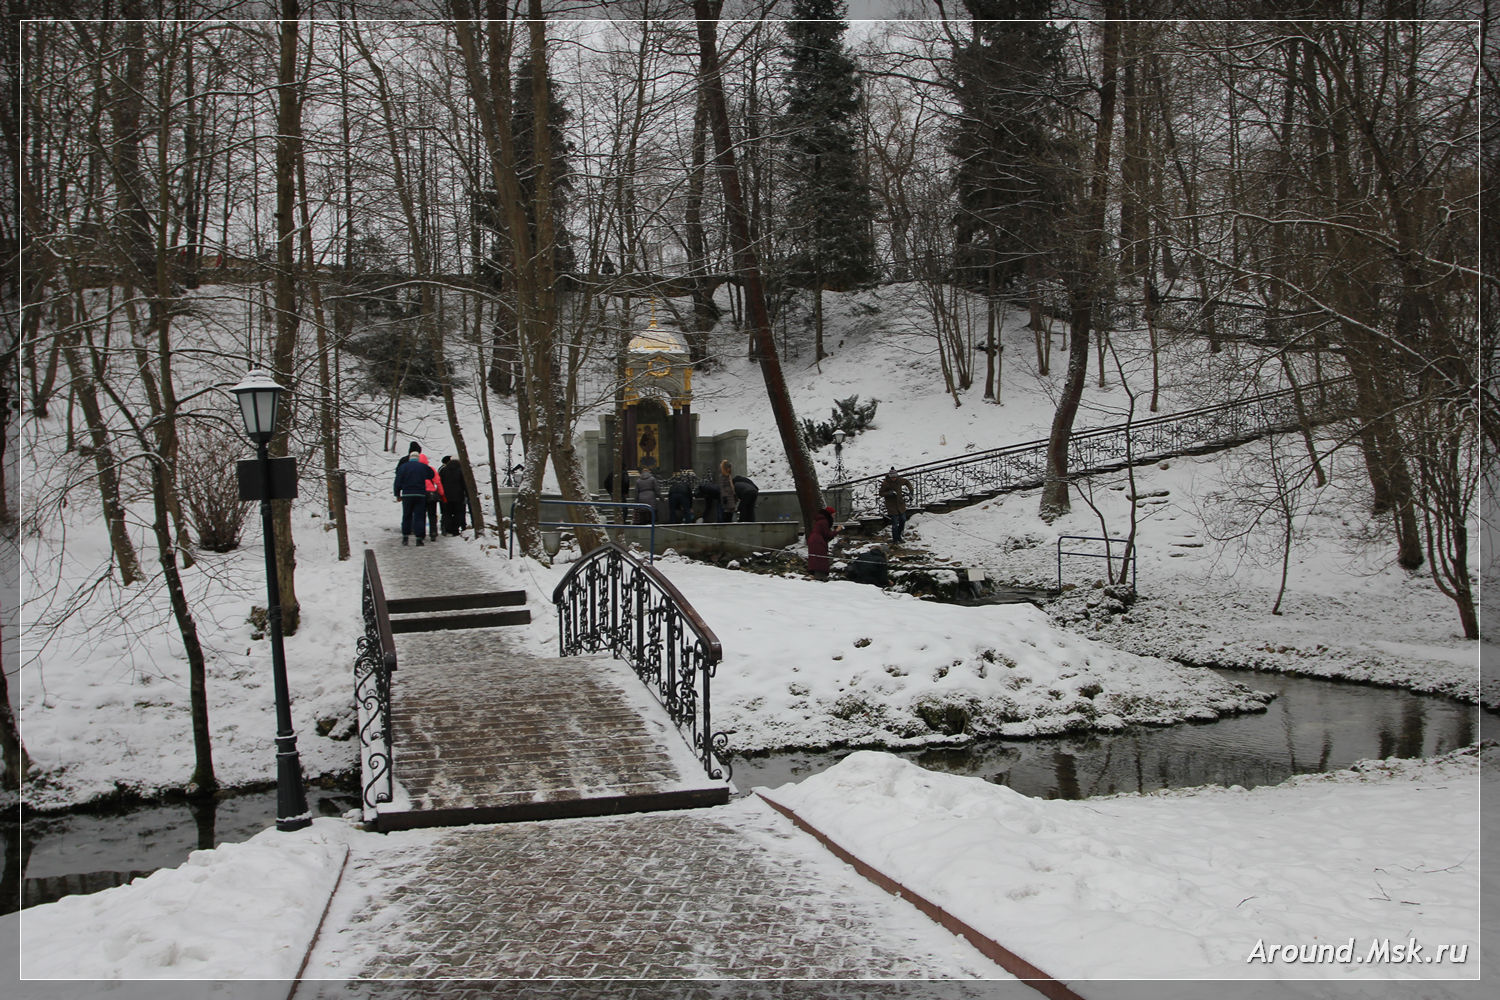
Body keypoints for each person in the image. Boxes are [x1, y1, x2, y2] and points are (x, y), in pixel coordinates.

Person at [393, 445, 436, 546]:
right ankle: (419, 539)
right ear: (418, 458)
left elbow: (397, 481)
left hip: (407, 494)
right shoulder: (422, 467)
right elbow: (431, 475)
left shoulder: (403, 467)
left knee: (407, 515)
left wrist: (397, 494)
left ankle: (405, 537)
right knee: (419, 516)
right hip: (420, 494)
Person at [879, 466, 915, 545]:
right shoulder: (886, 483)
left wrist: (911, 491)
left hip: (900, 504)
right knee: (894, 523)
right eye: (892, 477)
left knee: (903, 520)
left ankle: (899, 536)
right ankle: (895, 539)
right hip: (891, 506)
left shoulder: (899, 480)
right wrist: (890, 493)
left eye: (895, 477)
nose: (894, 479)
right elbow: (881, 493)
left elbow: (907, 482)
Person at [439, 455, 469, 536]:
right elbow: (464, 484)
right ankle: (455, 529)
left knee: (447, 513)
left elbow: (440, 483)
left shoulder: (443, 470)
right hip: (458, 496)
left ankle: (448, 528)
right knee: (458, 512)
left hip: (445, 496)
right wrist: (467, 494)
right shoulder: (461, 471)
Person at [807, 506, 839, 579]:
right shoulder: (824, 521)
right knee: (821, 557)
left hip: (814, 539)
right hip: (818, 540)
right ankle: (820, 575)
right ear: (829, 514)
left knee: (815, 557)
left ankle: (813, 574)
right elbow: (827, 534)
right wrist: (836, 531)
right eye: (833, 514)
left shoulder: (820, 520)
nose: (834, 516)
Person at [420, 453, 443, 541]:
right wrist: (441, 493)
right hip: (431, 494)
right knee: (432, 515)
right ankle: (433, 533)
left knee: (421, 515)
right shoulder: (431, 469)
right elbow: (438, 482)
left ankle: (421, 533)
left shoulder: (417, 470)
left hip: (421, 494)